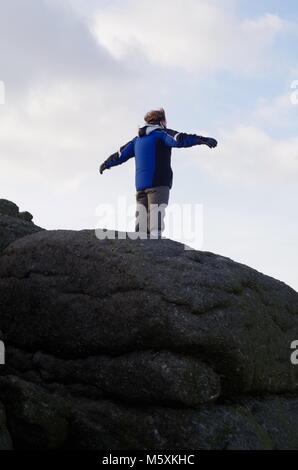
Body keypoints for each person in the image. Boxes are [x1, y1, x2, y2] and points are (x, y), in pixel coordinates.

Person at [99, 108, 217, 238]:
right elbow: (180, 139)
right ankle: (156, 244)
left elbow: (120, 155)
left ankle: (139, 249)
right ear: (162, 121)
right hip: (158, 183)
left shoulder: (136, 140)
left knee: (141, 225)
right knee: (156, 218)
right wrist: (203, 140)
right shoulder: (161, 134)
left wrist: (106, 164)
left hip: (140, 188)